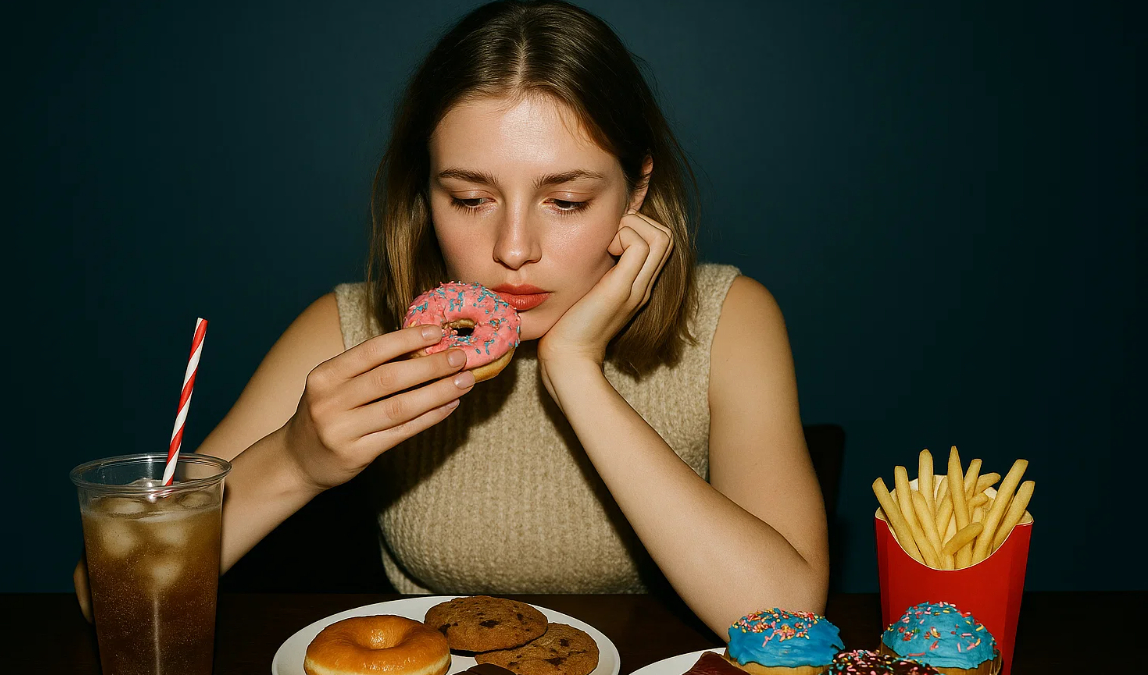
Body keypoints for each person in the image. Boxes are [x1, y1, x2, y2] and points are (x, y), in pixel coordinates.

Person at [75, 0, 828, 636]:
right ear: (424, 191)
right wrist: (296, 461)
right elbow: (113, 595)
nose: (513, 248)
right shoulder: (345, 329)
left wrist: (576, 372)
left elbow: (788, 618)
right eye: (469, 198)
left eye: (566, 201)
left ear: (636, 192)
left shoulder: (730, 320)